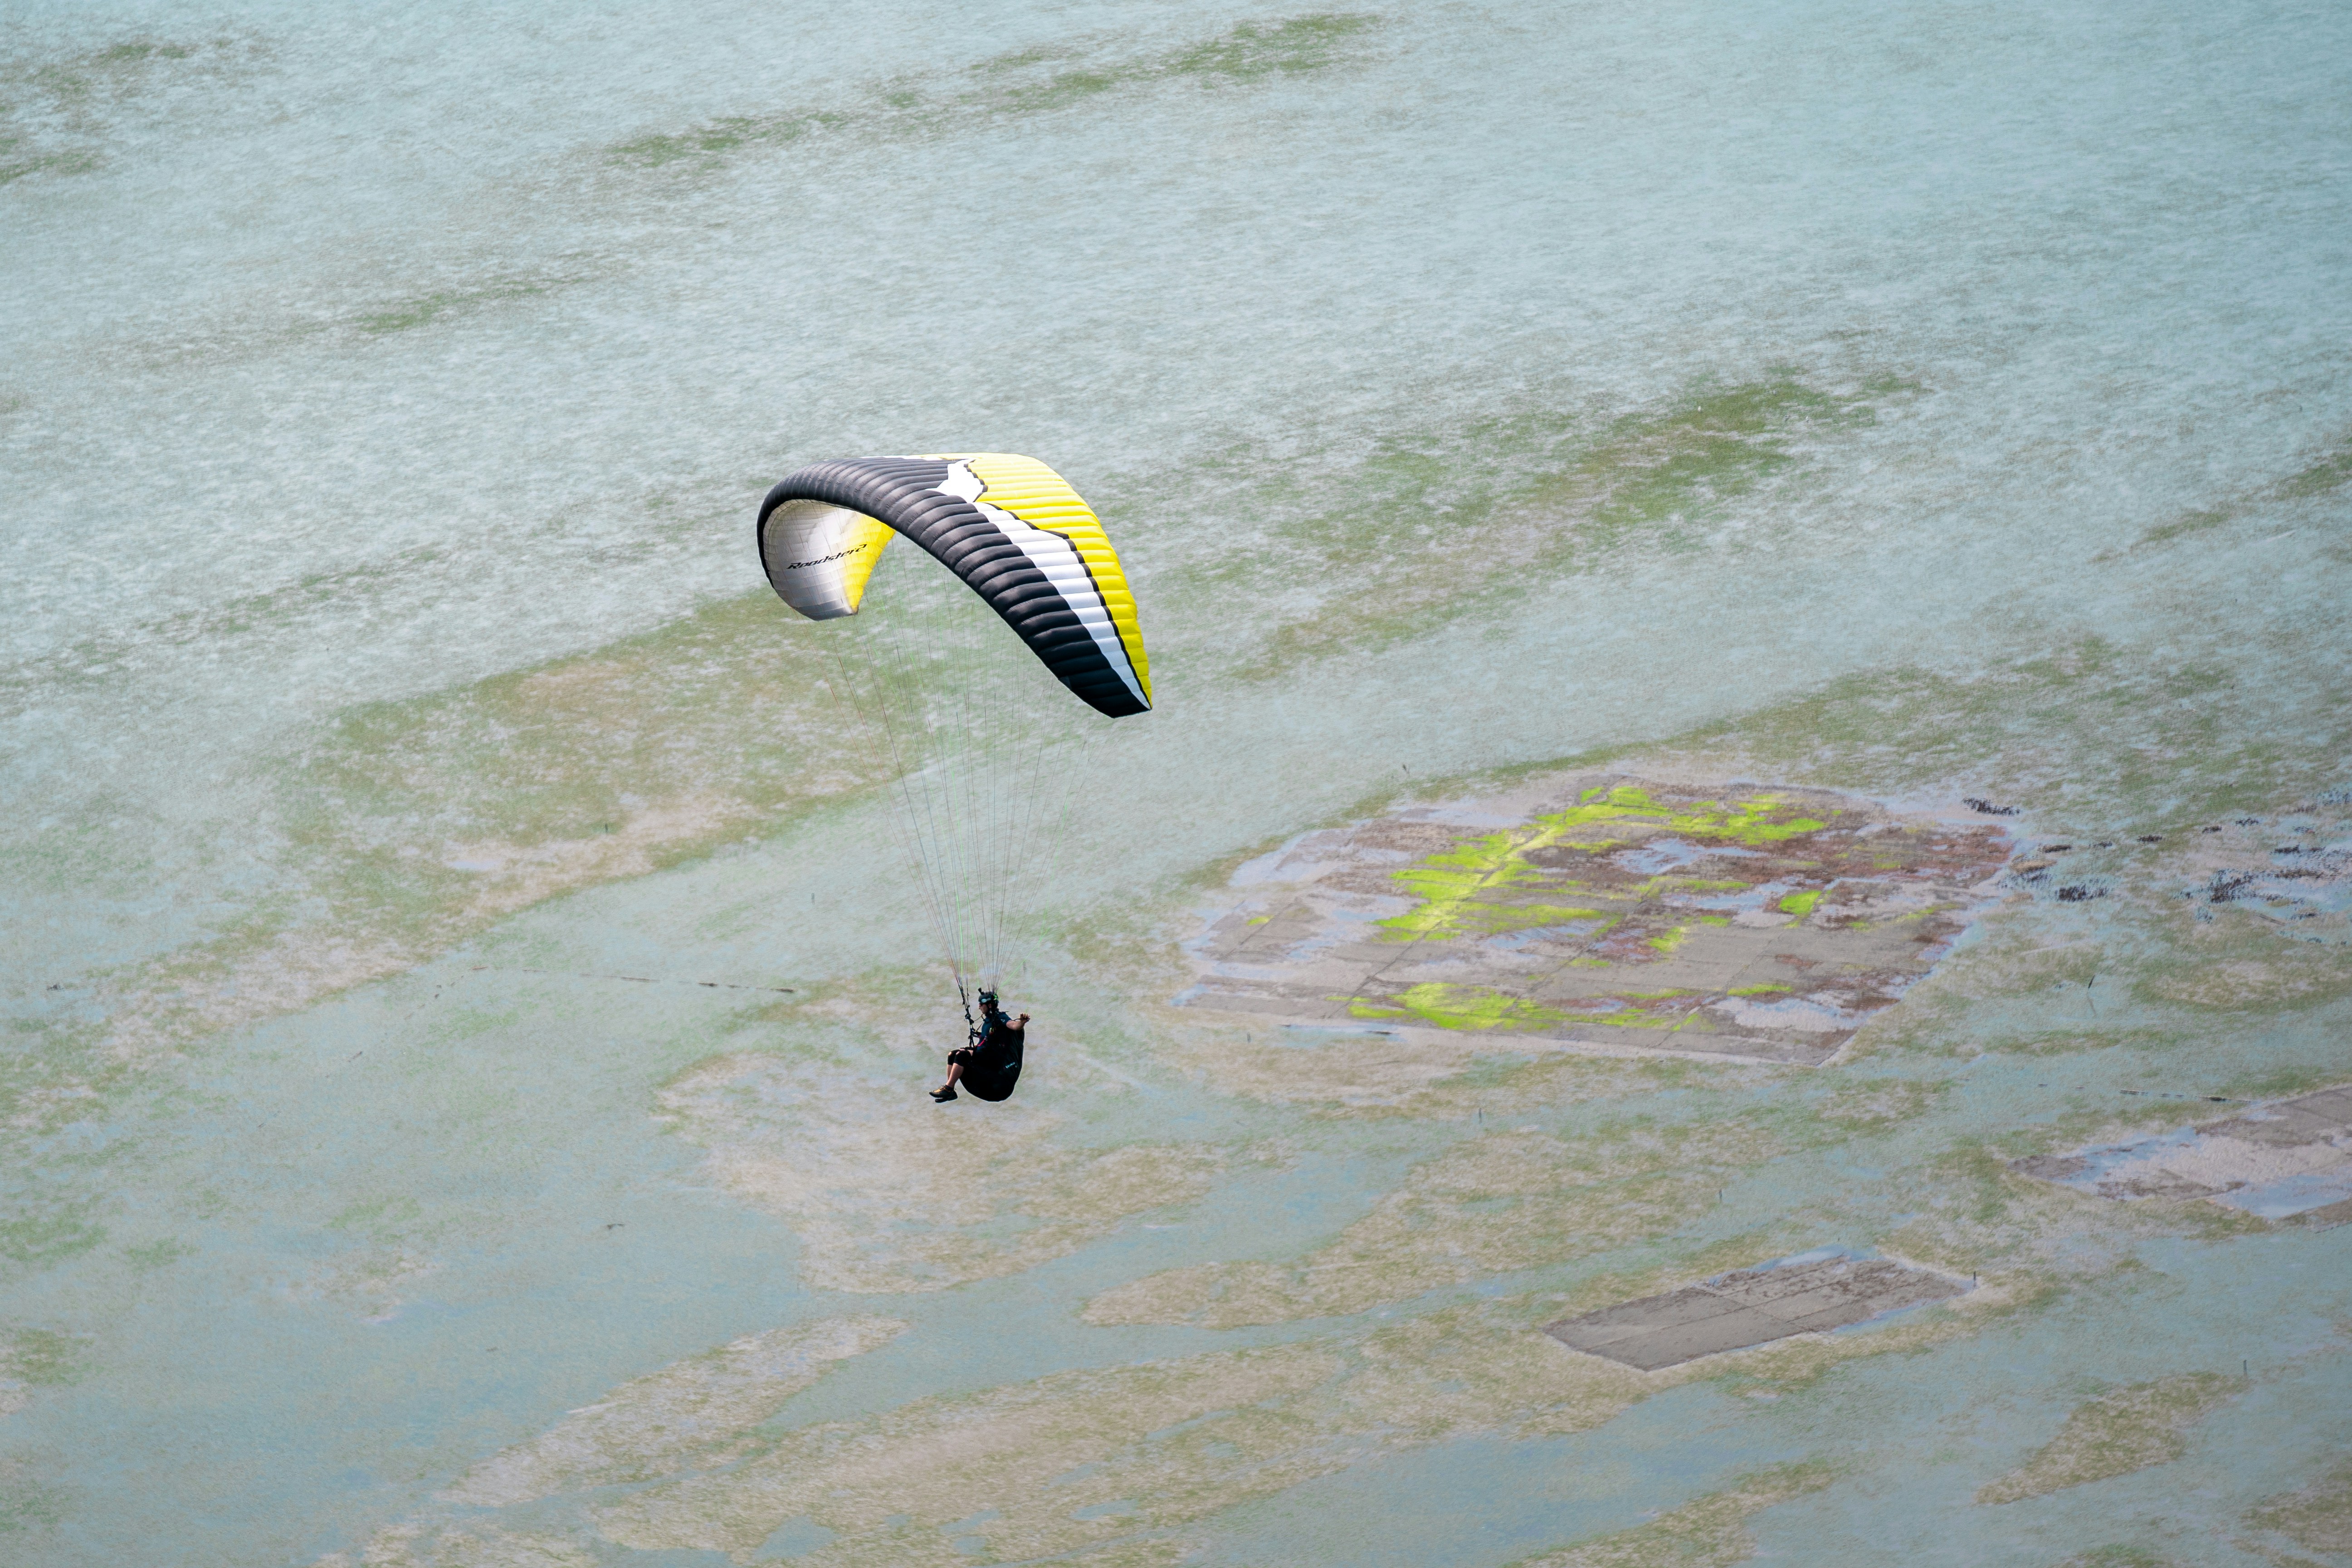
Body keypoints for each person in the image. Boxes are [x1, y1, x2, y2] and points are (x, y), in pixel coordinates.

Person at [932, 992, 1028, 1102]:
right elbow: (990, 1037)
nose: (979, 1007)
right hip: (984, 1058)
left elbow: (1014, 1026)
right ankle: (950, 1091)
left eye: (981, 1004)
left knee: (962, 1055)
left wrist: (1022, 1022)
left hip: (994, 1067)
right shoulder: (988, 1020)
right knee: (953, 1055)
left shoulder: (1001, 1018)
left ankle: (948, 1089)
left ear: (990, 1005)